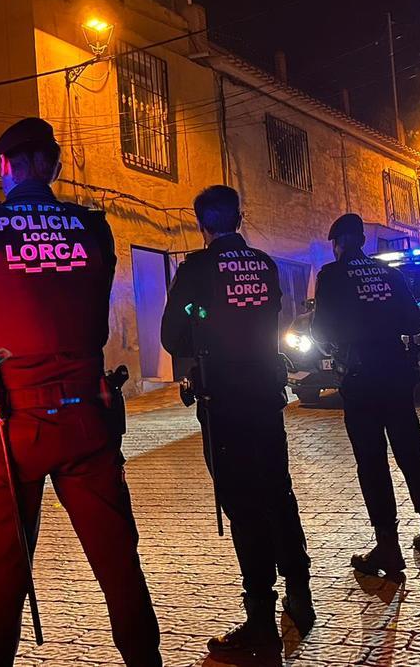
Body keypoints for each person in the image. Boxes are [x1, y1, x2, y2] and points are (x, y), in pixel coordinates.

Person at [0, 117, 162, 667]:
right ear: (54, 166)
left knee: (1, 580)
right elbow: (96, 298)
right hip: (86, 415)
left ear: (5, 168)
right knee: (118, 565)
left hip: (9, 424)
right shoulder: (92, 228)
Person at [160, 185, 314, 655]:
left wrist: (199, 315)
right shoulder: (265, 265)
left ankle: (261, 626)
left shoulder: (197, 269)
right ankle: (301, 597)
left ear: (201, 223)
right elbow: (270, 313)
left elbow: (171, 334)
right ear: (240, 218)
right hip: (266, 395)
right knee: (278, 493)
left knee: (244, 508)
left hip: (224, 402)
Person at [311, 213, 420, 576]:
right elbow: (416, 323)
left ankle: (388, 545)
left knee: (372, 462)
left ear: (338, 244)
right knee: (411, 452)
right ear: (363, 241)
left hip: (360, 377)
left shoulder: (331, 276)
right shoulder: (390, 274)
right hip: (396, 374)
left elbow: (321, 329)